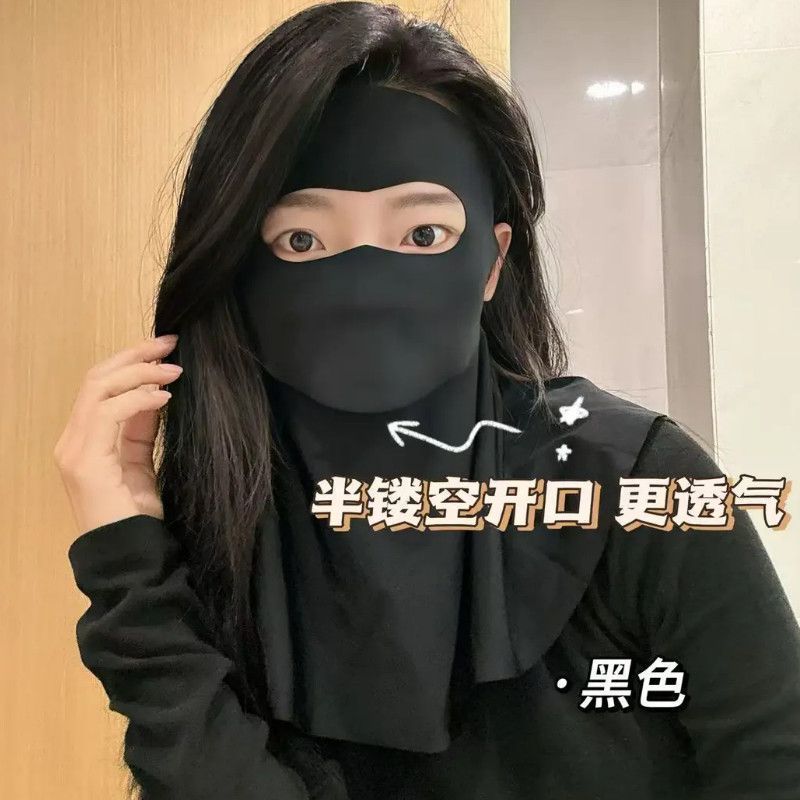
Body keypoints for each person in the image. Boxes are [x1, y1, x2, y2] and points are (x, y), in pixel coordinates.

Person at [55, 3, 800, 799]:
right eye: (302, 240)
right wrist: (128, 565)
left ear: (492, 262)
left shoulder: (636, 482)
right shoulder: (224, 521)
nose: (367, 289)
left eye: (423, 235)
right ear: (242, 269)